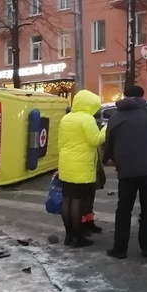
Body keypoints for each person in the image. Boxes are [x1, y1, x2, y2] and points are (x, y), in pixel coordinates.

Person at [102, 85, 147, 259]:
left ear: (125, 96)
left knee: (124, 209)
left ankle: (120, 249)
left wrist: (107, 159)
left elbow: (108, 142)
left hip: (127, 170)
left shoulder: (116, 116)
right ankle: (146, 247)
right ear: (142, 96)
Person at [57, 89, 107, 248]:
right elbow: (95, 140)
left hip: (66, 164)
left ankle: (68, 236)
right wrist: (106, 129)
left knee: (67, 201)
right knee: (78, 202)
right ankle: (78, 237)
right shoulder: (87, 119)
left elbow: (60, 142)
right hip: (82, 167)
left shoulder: (66, 118)